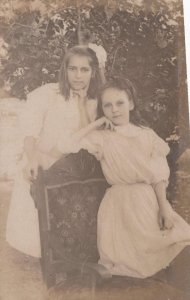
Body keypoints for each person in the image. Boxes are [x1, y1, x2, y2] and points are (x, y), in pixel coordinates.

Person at [65, 77, 190, 278]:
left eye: (120, 103)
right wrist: (95, 124)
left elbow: (158, 175)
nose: (114, 109)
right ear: (102, 110)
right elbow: (69, 143)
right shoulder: (102, 137)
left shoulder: (147, 135)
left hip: (149, 202)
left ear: (131, 103)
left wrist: (164, 207)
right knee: (127, 263)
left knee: (177, 241)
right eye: (108, 105)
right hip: (119, 206)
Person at [6, 45, 103, 258]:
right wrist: (32, 159)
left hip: (79, 163)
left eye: (84, 70)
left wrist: (83, 102)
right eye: (73, 69)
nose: (78, 76)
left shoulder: (97, 99)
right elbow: (29, 132)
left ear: (93, 72)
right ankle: (56, 251)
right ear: (64, 70)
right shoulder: (47, 94)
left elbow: (93, 134)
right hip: (47, 158)